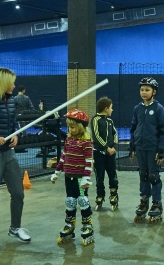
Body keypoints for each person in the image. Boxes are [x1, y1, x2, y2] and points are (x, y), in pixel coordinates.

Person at [0, 67, 31, 249]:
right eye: (12, 82)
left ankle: (15, 227)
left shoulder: (11, 102)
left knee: (18, 192)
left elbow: (13, 123)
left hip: (8, 153)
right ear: (3, 83)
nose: (15, 85)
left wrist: (15, 135)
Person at [51, 109, 94, 246]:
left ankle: (87, 225)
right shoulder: (69, 139)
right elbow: (64, 157)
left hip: (80, 178)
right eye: (69, 126)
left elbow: (89, 160)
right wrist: (57, 171)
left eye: (73, 126)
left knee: (82, 200)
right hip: (68, 175)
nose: (70, 129)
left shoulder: (86, 142)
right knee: (70, 201)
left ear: (81, 126)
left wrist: (86, 177)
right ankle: (69, 224)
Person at [129, 77, 164, 223]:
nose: (144, 92)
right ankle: (144, 201)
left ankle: (157, 203)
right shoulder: (137, 108)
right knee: (143, 174)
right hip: (140, 147)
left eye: (147, 90)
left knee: (153, 175)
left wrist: (161, 149)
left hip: (153, 148)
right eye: (142, 90)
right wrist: (132, 146)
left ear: (154, 91)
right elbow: (133, 128)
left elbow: (163, 130)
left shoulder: (159, 108)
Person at [90, 96, 119, 211]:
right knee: (100, 176)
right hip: (99, 154)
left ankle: (113, 195)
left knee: (112, 175)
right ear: (106, 109)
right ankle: (100, 196)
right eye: (111, 108)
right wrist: (106, 147)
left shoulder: (110, 121)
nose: (112, 110)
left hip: (111, 154)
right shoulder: (95, 120)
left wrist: (113, 147)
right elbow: (96, 136)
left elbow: (115, 134)